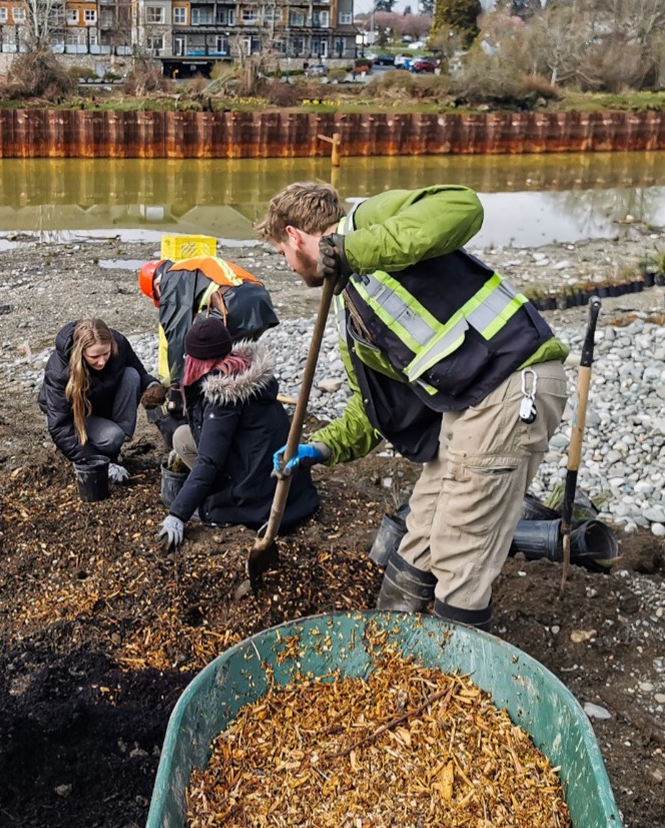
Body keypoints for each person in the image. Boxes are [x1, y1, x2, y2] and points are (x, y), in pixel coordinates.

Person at [259, 181, 569, 627]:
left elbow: (462, 206)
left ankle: (456, 675)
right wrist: (316, 449)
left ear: (293, 235)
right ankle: (389, 642)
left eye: (281, 254)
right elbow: (370, 411)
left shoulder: (369, 222)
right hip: (466, 407)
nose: (287, 266)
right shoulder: (352, 310)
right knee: (420, 532)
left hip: (512, 384)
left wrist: (354, 249)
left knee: (458, 549)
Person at [157, 317, 317, 549]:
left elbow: (210, 461)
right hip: (279, 476)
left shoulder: (223, 396)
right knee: (182, 437)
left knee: (197, 453)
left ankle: (222, 498)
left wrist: (178, 514)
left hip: (256, 490)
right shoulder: (246, 371)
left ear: (195, 360)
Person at [137, 254, 279, 411]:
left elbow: (177, 336)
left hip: (232, 305)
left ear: (157, 285)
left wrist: (177, 388)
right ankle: (246, 402)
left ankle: (206, 407)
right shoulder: (190, 267)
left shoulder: (171, 278)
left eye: (158, 297)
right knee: (230, 360)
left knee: (198, 342)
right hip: (261, 302)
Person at [39, 318, 157, 482]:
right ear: (81, 352)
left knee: (131, 375)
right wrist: (98, 464)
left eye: (106, 354)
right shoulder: (59, 369)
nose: (102, 361)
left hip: (98, 400)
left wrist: (153, 386)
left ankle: (113, 446)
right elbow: (60, 426)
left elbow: (140, 372)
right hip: (73, 415)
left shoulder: (119, 343)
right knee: (112, 436)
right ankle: (92, 451)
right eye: (94, 356)